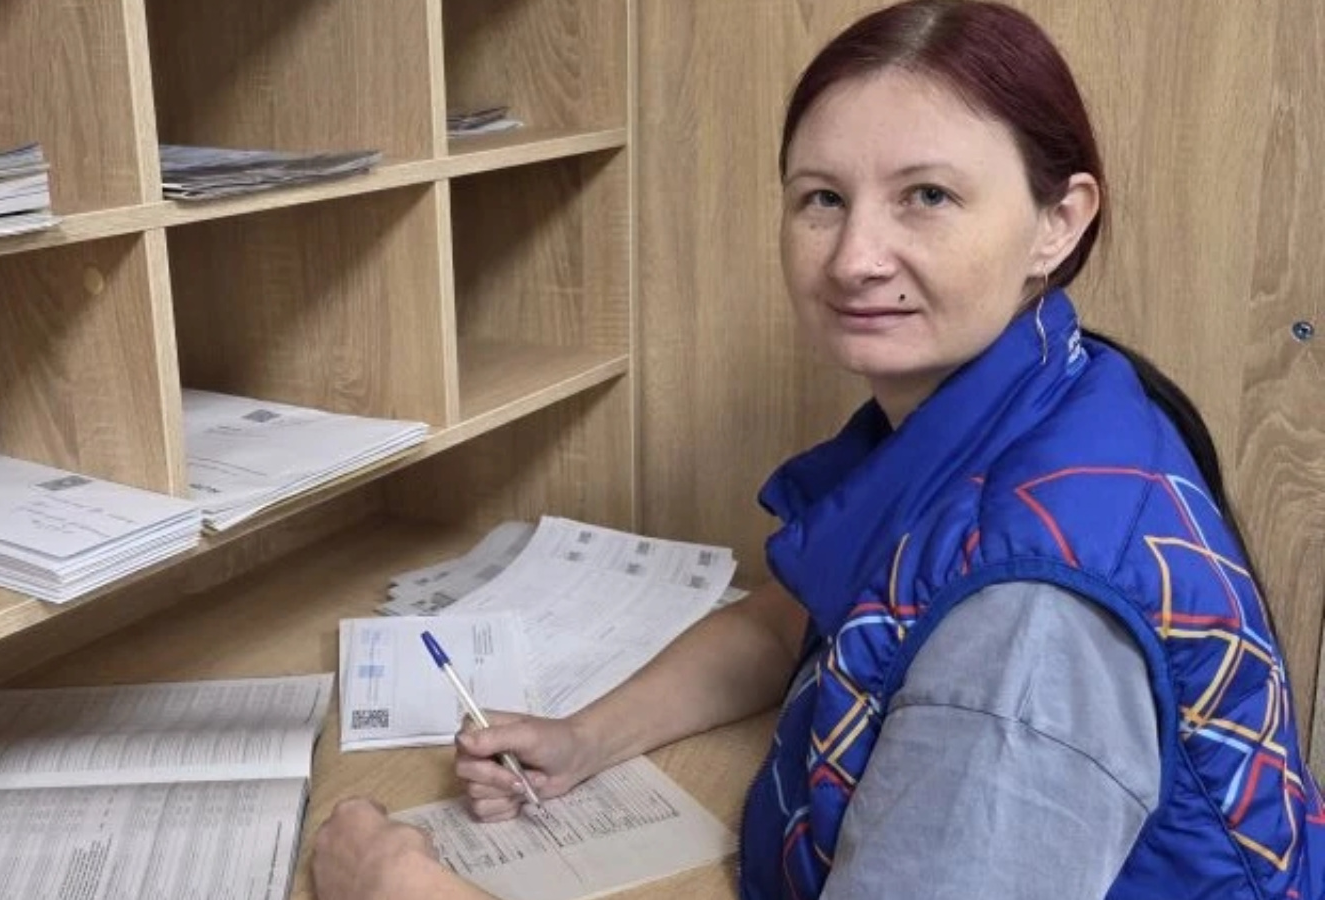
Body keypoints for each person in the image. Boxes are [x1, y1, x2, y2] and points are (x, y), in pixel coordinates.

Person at [311, 2, 1325, 898]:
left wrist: (401, 886)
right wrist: (583, 740)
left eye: (928, 195)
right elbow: (804, 614)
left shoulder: (1026, 631)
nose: (854, 258)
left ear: (1057, 221)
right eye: (822, 198)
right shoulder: (1041, 392)